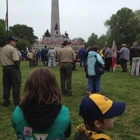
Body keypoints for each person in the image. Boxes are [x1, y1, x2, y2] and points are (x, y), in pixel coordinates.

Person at [12, 68, 71, 140]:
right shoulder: (64, 113)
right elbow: (67, 133)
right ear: (54, 87)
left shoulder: (17, 113)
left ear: (28, 87)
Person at [0, 36, 21, 107]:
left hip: (5, 68)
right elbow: (16, 60)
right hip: (13, 68)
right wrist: (18, 68)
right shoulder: (13, 49)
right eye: (14, 41)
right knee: (16, 85)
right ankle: (17, 102)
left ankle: (6, 101)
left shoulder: (2, 49)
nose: (15, 42)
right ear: (10, 41)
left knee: (6, 86)